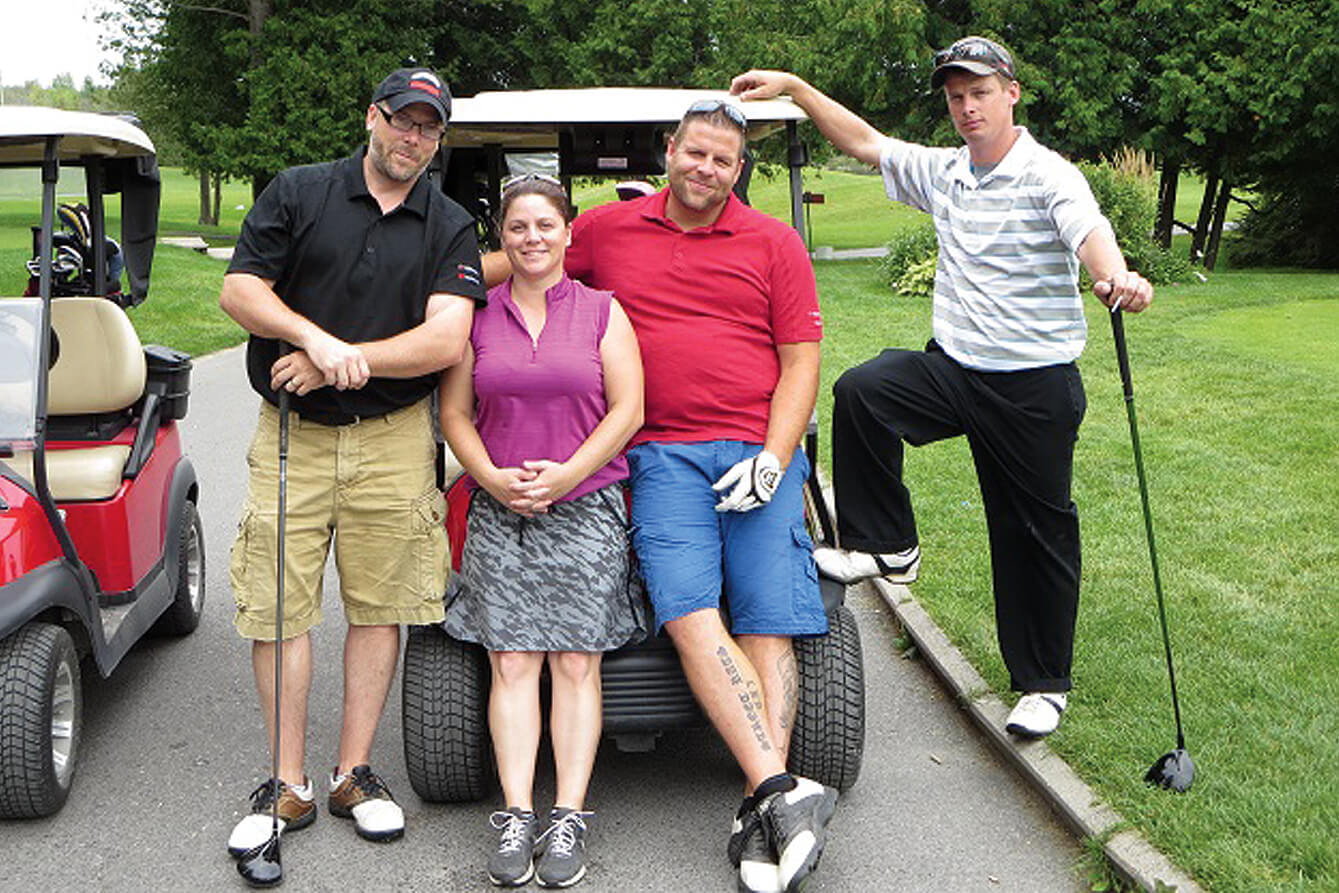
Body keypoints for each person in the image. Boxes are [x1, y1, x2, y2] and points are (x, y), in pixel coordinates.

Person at [731, 36, 1154, 740]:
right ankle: (889, 543)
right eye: (955, 97)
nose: (966, 107)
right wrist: (798, 89)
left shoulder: (1050, 176)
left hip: (1032, 384)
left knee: (1032, 532)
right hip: (955, 368)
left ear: (1010, 92)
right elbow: (865, 143)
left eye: (978, 93)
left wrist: (1114, 277)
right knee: (865, 390)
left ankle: (1043, 685)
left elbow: (1090, 237)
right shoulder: (945, 172)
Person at [490, 99, 840, 893]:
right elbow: (528, 256)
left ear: (738, 167)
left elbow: (800, 361)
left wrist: (775, 457)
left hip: (753, 452)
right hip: (659, 454)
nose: (705, 170)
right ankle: (780, 795)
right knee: (686, 608)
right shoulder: (608, 234)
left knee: (768, 617)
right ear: (669, 149)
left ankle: (762, 801)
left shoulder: (774, 243)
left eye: (723, 160)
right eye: (694, 153)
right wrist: (441, 282)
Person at [220, 67, 485, 857]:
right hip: (292, 429)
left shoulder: (448, 222)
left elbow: (446, 340)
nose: (413, 138)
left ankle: (354, 771)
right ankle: (287, 780)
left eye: (428, 128)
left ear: (439, 138)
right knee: (278, 602)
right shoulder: (300, 191)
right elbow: (240, 291)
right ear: (372, 116)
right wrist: (314, 338)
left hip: (395, 435)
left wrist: (344, 357)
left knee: (380, 603)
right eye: (403, 120)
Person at [439, 174, 646, 888]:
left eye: (544, 225)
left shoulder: (600, 311)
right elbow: (456, 415)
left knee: (575, 662)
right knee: (513, 661)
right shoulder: (477, 315)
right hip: (502, 508)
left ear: (568, 230)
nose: (532, 238)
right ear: (502, 235)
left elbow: (627, 409)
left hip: (585, 504)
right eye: (518, 226)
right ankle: (517, 811)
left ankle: (567, 815)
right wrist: (492, 478)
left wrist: (565, 474)